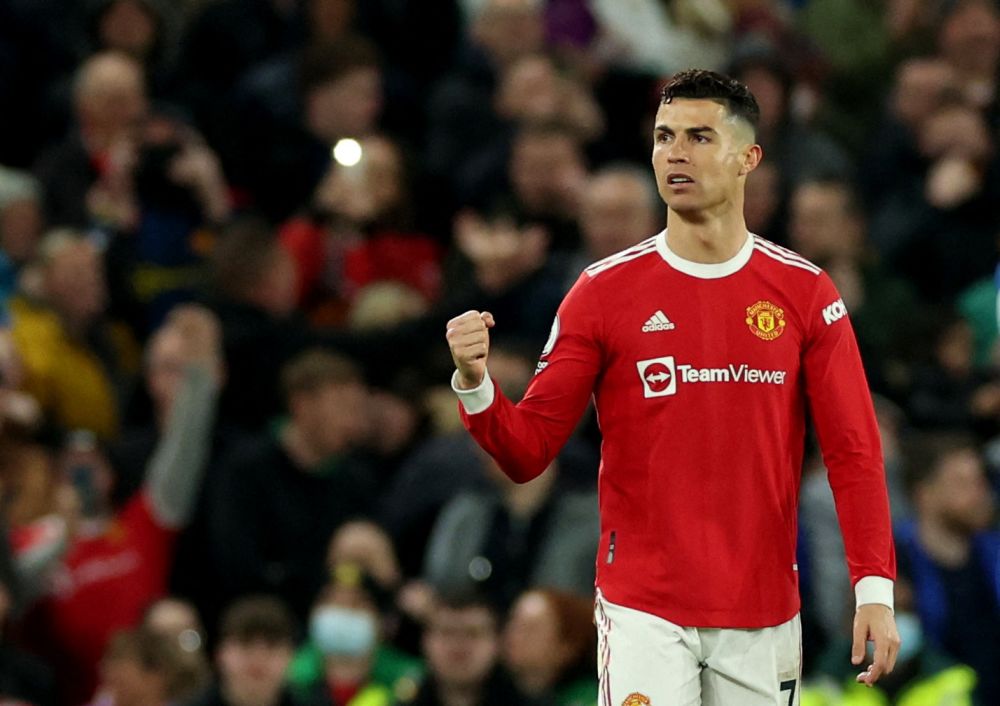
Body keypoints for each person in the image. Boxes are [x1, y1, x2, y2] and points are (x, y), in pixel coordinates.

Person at [445, 69, 899, 704]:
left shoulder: (805, 293)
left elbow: (854, 451)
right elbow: (527, 453)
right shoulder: (602, 293)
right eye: (664, 137)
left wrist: (874, 588)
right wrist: (475, 384)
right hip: (643, 608)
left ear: (748, 158)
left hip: (763, 608)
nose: (675, 153)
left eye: (699, 136)